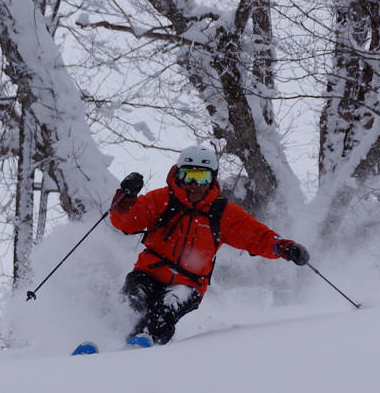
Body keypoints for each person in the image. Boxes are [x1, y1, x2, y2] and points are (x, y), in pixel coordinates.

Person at [109, 145, 309, 347]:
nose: (194, 184)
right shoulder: (162, 199)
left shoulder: (221, 212)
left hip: (188, 283)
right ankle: (111, 341)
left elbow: (256, 236)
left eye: (202, 177)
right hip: (149, 273)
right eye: (188, 176)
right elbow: (126, 222)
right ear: (179, 175)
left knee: (165, 311)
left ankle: (145, 346)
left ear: (212, 178)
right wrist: (126, 199)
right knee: (132, 301)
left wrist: (284, 247)